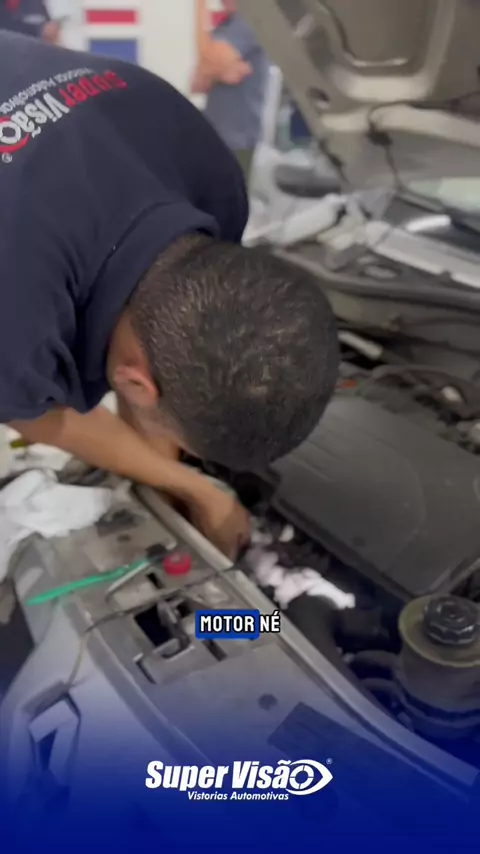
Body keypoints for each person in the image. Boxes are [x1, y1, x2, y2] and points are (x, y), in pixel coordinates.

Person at [0, 32, 339, 559]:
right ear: (135, 383)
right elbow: (29, 409)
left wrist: (168, 480)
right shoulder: (12, 320)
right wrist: (198, 489)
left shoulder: (212, 179)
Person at [192, 0, 269, 179]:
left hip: (240, 141)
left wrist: (200, 10)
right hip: (218, 139)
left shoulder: (247, 22)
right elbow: (197, 83)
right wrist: (216, 70)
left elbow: (208, 63)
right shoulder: (224, 28)